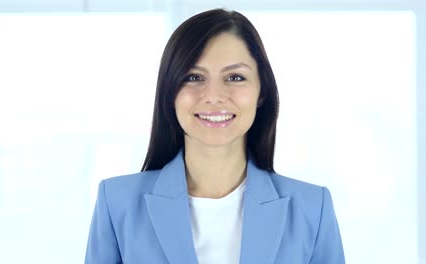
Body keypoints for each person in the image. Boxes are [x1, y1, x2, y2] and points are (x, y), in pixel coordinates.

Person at [85, 8, 345, 264]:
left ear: (261, 92)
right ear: (170, 92)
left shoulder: (312, 208)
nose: (213, 95)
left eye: (234, 77)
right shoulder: (118, 204)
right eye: (194, 76)